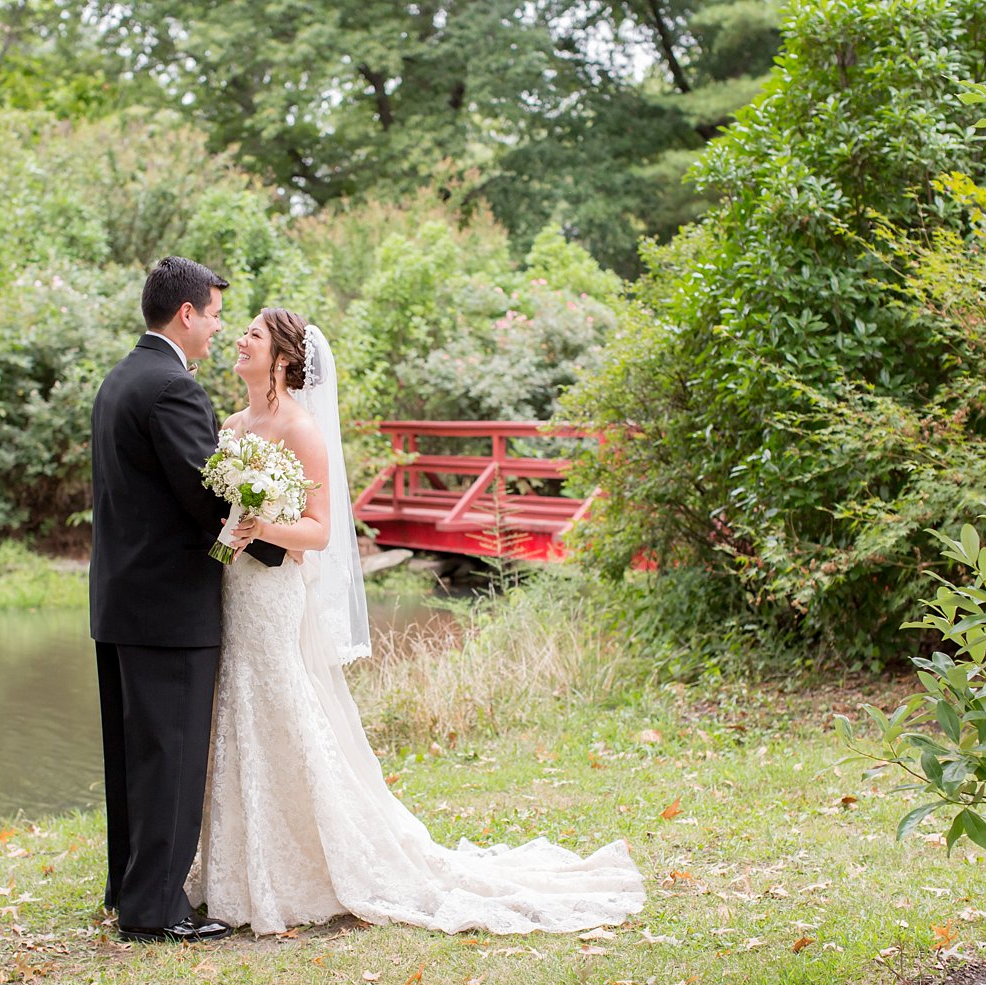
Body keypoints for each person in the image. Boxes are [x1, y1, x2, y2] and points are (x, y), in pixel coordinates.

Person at [187, 308, 647, 935]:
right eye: (240, 331)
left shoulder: (301, 429)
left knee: (278, 705)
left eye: (255, 336)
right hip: (231, 587)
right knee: (233, 709)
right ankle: (235, 870)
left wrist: (258, 527)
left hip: (272, 590)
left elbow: (320, 532)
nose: (239, 340)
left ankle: (307, 864)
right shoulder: (233, 425)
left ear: (286, 360)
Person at [88, 256, 284, 943]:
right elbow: (204, 498)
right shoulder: (173, 388)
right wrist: (271, 546)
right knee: (167, 757)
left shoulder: (120, 379)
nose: (219, 329)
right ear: (187, 314)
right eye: (216, 315)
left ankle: (129, 886)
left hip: (120, 601)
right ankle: (153, 910)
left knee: (132, 755)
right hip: (167, 605)